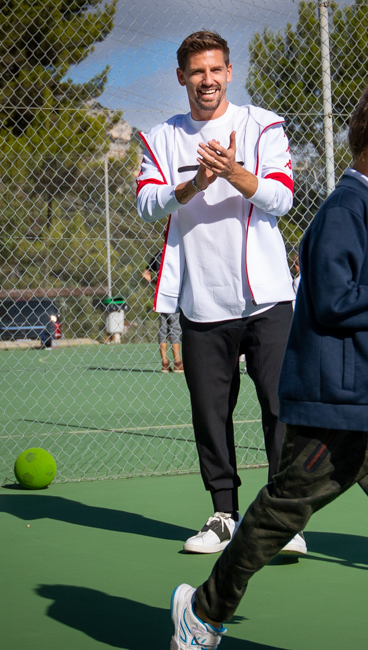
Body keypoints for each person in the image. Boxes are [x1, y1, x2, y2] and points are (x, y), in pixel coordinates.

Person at [168, 66, 368, 650]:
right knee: (283, 513)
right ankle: (201, 612)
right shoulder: (344, 213)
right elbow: (335, 304)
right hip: (335, 409)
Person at [135, 30, 305, 556]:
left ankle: (283, 521)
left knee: (280, 407)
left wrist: (232, 171)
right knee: (210, 414)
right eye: (197, 72)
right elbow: (147, 205)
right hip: (202, 303)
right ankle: (223, 516)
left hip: (268, 299)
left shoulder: (264, 125)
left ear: (229, 72)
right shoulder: (161, 137)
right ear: (181, 77)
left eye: (215, 70)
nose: (206, 80)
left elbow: (282, 197)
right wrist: (195, 184)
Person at [141, 251, 183, 373]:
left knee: (163, 328)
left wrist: (157, 283)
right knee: (175, 327)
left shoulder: (159, 255)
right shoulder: (177, 254)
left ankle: (165, 363)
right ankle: (178, 363)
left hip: (161, 296)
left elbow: (145, 273)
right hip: (174, 295)